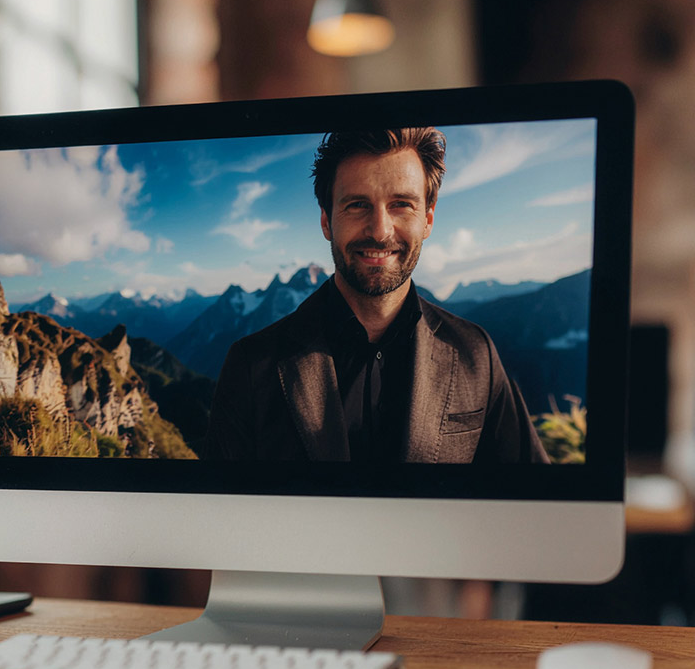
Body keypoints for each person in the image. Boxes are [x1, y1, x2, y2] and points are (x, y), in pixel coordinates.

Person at [204, 128, 550, 463]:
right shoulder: (251, 365)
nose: (380, 231)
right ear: (326, 221)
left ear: (428, 219)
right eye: (357, 205)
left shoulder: (476, 353)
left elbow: (535, 499)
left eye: (401, 204)